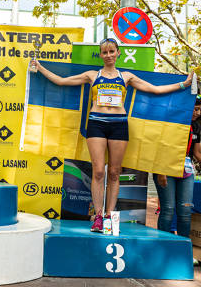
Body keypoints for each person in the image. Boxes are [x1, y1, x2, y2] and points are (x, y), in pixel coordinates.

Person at [30, 38, 194, 232]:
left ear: (118, 53)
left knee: (115, 172)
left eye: (111, 52)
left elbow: (155, 89)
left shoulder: (126, 77)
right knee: (98, 171)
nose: (108, 55)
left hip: (119, 125)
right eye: (104, 52)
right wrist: (40, 68)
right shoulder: (92, 75)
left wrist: (183, 85)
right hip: (96, 124)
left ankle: (109, 215)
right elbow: (62, 81)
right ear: (100, 55)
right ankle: (98, 216)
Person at [153, 98, 201, 238]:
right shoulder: (172, 122)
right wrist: (161, 172)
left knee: (185, 211)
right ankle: (163, 244)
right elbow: (160, 148)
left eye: (199, 109)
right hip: (165, 169)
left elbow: (197, 153)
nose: (198, 113)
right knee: (168, 209)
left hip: (186, 172)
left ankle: (183, 247)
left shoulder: (196, 127)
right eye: (195, 109)